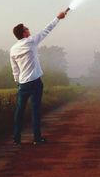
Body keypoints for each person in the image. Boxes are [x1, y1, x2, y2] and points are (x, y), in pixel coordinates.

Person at [10, 11, 66, 146]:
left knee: (19, 111)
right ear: (24, 33)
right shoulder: (31, 41)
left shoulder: (12, 49)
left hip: (22, 84)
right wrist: (58, 18)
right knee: (35, 111)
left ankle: (16, 138)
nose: (29, 29)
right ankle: (37, 138)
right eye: (26, 28)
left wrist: (18, 82)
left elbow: (15, 70)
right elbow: (47, 30)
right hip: (35, 82)